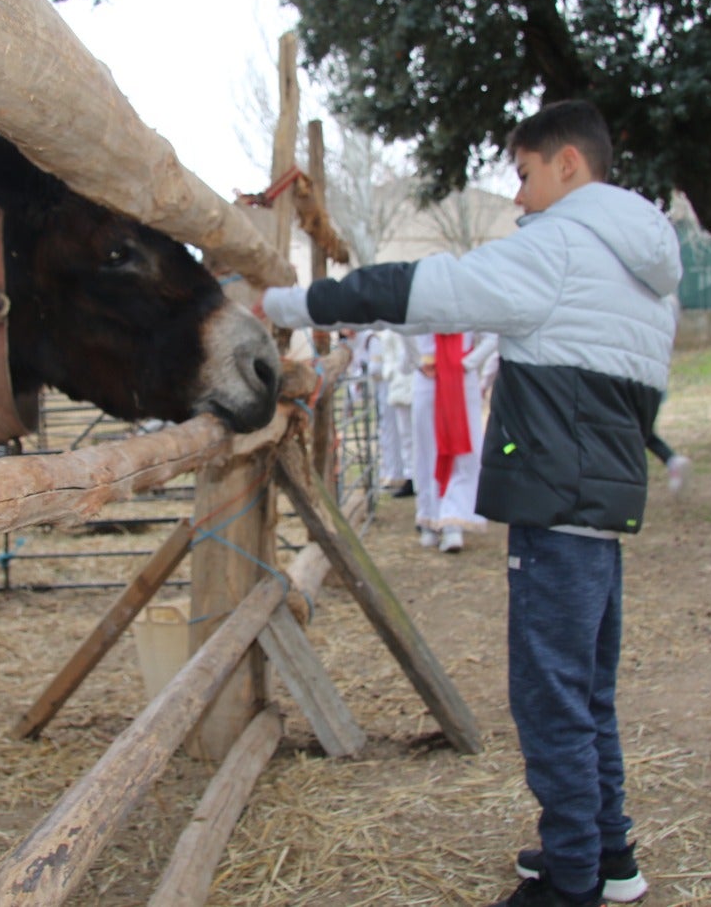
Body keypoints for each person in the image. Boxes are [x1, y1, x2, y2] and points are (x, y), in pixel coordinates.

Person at [256, 99, 680, 907]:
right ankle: (607, 851)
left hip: (556, 510)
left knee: (548, 696)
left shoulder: (560, 248)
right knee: (586, 691)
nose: (517, 197)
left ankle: (571, 879)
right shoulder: (648, 273)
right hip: (599, 509)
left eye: (523, 175)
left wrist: (286, 306)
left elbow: (424, 290)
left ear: (568, 166)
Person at [409, 330, 495, 552]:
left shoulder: (470, 299)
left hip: (460, 378)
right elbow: (401, 326)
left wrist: (467, 362)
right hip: (429, 377)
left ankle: (452, 521)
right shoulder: (420, 297)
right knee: (428, 451)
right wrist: (417, 360)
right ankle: (429, 517)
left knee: (464, 453)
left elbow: (493, 335)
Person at [370, 329, 417, 497]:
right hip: (399, 383)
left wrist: (393, 371)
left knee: (411, 434)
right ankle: (409, 474)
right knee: (405, 435)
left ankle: (413, 475)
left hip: (407, 380)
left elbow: (406, 353)